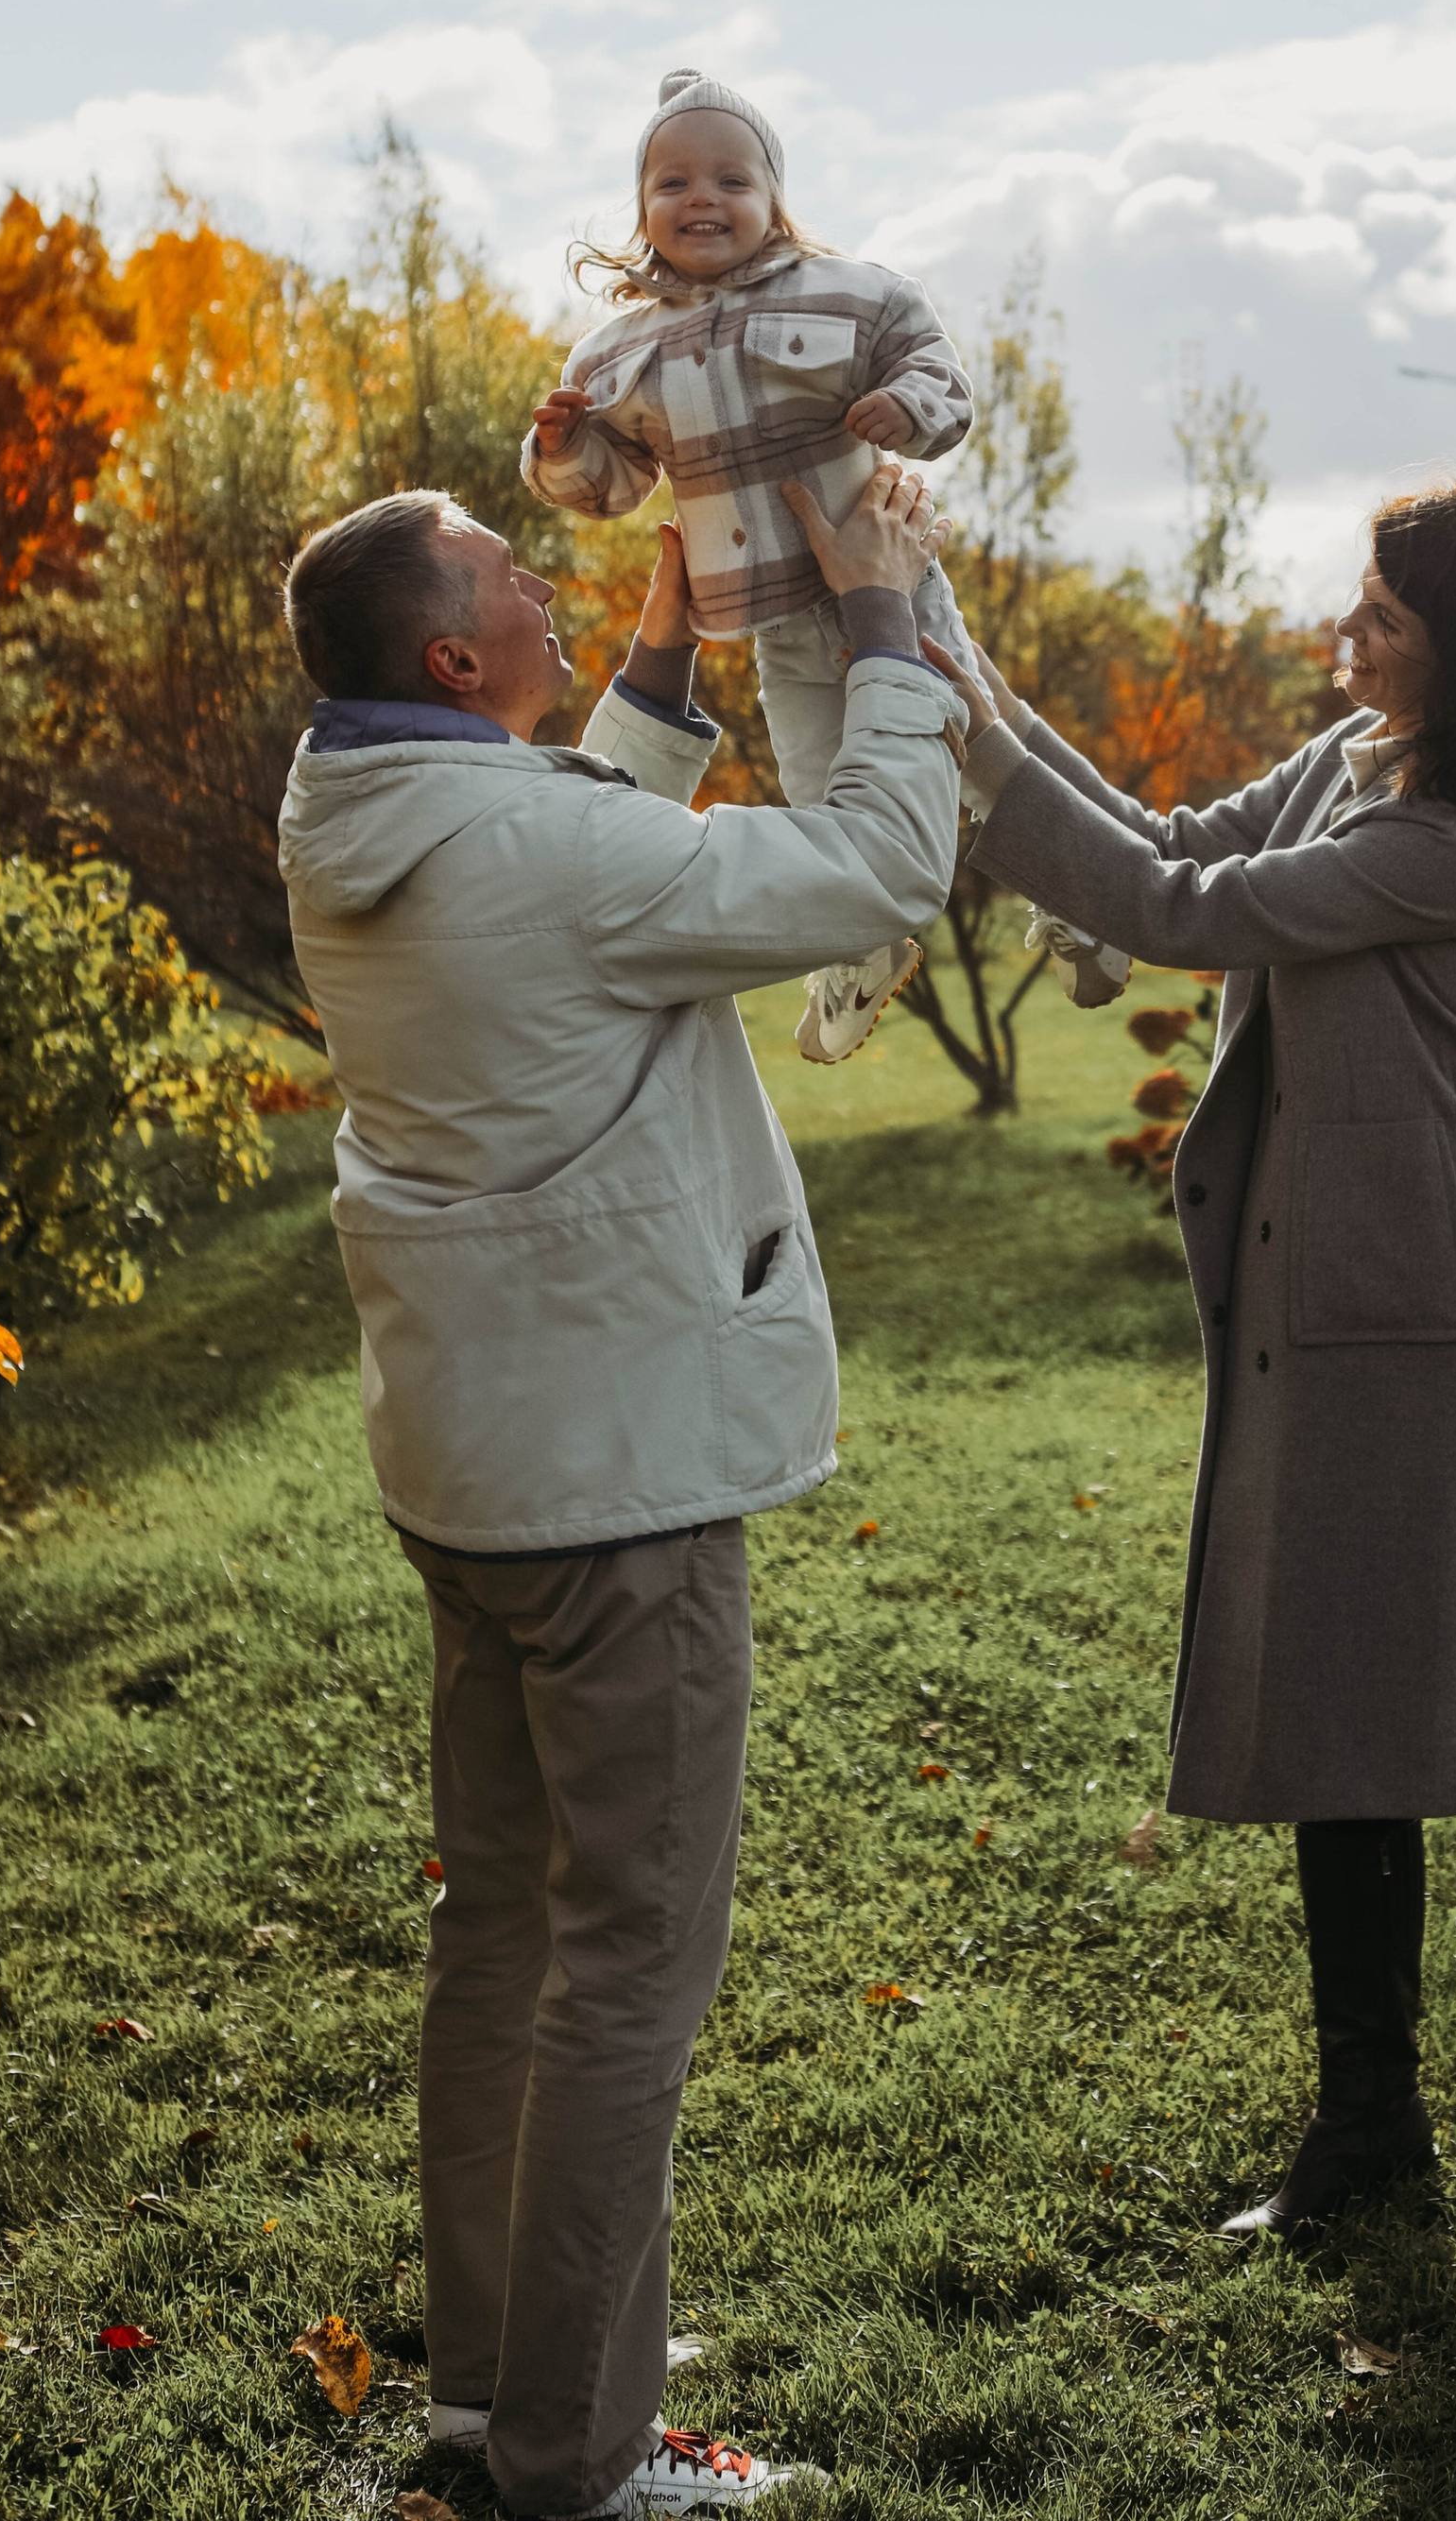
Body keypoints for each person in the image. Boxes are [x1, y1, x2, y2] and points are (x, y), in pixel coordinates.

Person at [279, 458, 962, 2513]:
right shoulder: (523, 850)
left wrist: (664, 655)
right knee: (625, 1972)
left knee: (500, 1936)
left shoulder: (356, 809)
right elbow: (865, 865)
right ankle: (581, 2465)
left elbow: (567, 832)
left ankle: (495, 2394)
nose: (555, 586)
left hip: (476, 1467)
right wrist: (902, 632)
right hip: (614, 1495)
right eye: (515, 578)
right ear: (456, 655)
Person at [926, 476, 1456, 2267]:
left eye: (1384, 624)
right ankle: (1372, 2131)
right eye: (1357, 608)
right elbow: (1156, 827)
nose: (1344, 642)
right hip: (1338, 1299)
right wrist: (941, 643)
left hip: (1442, 1321)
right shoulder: (1366, 758)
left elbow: (1168, 902)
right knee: (1347, 1717)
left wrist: (957, 721)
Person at [522, 64, 1129, 1055]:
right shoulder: (617, 356)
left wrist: (906, 409)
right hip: (767, 614)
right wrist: (561, 452)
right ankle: (864, 946)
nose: (701, 199)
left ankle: (1091, 897)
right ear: (640, 212)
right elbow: (615, 485)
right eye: (671, 184)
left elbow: (937, 371)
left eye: (730, 179)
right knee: (821, 788)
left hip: (886, 587)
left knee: (974, 752)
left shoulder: (849, 296)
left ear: (773, 201)